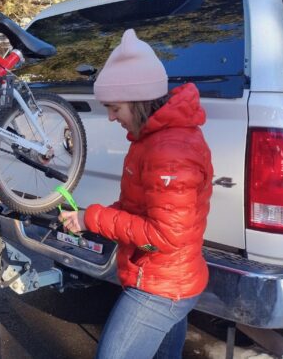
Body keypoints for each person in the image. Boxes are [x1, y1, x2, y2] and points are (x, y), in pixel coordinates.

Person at [59, 29, 213, 359]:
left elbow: (164, 235)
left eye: (115, 108)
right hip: (165, 276)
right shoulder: (152, 140)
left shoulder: (169, 151)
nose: (111, 117)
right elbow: (137, 208)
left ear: (139, 100)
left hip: (162, 286)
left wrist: (93, 218)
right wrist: (87, 219)